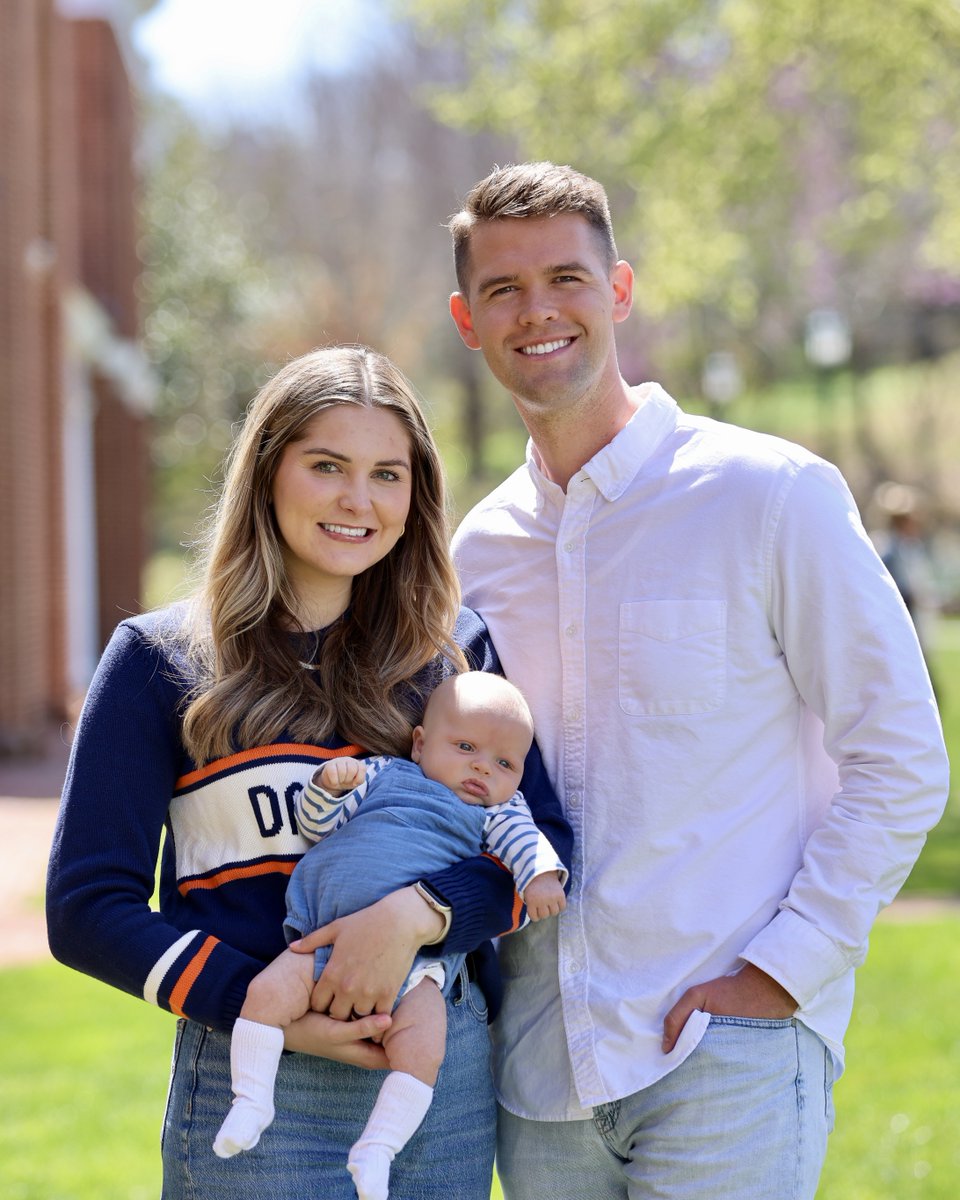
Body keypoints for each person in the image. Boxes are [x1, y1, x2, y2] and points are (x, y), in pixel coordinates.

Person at [446, 162, 949, 1199]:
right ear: (467, 320)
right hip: (540, 1079)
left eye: (566, 279)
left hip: (727, 1058)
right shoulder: (476, 554)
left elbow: (901, 759)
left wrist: (782, 973)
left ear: (619, 290)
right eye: (503, 290)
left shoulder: (772, 496)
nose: (537, 312)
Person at [46, 345, 571, 1200]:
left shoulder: (456, 656)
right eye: (327, 466)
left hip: (437, 1072)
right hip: (255, 1075)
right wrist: (263, 1003)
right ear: (267, 472)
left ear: (416, 495)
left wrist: (420, 913)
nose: (357, 500)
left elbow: (543, 842)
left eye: (386, 474)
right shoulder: (160, 660)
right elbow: (86, 907)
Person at [213, 670, 567, 1200]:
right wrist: (328, 789)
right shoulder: (383, 774)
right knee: (265, 995)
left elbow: (526, 841)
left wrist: (539, 875)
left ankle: (377, 1147)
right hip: (318, 938)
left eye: (504, 763)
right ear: (420, 744)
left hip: (419, 964)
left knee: (423, 1048)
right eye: (465, 746)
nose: (480, 767)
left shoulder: (499, 810)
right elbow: (318, 824)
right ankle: (252, 1099)